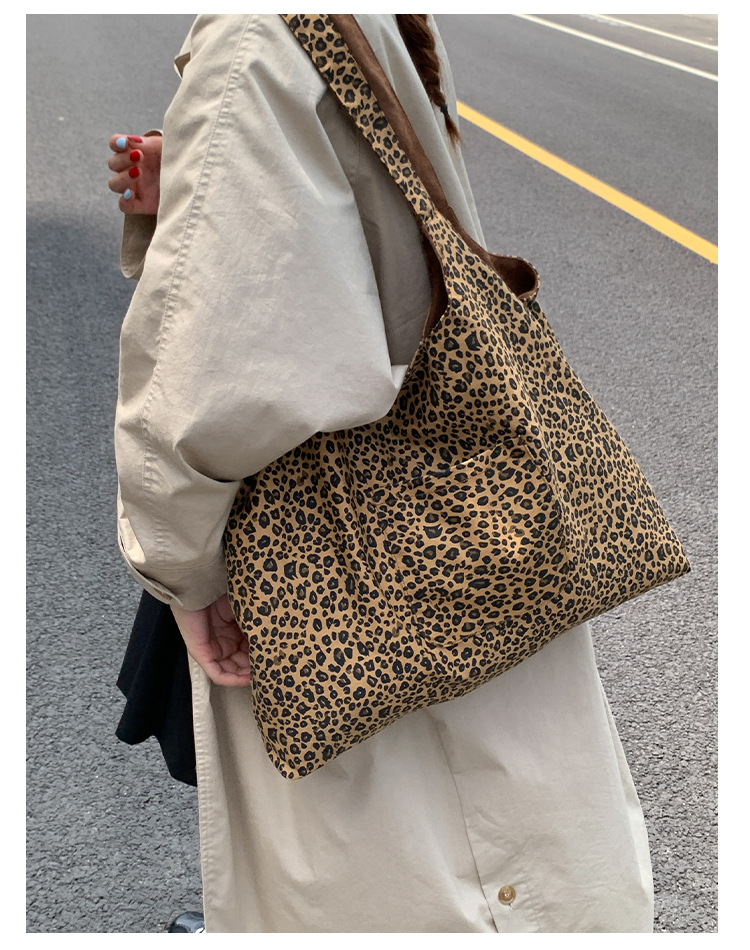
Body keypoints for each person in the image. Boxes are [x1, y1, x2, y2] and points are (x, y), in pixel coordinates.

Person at [109, 14, 654, 933]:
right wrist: (205, 193)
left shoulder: (251, 40)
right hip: (477, 516)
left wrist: (179, 566)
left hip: (345, 565)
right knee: (529, 841)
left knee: (412, 870)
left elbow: (217, 389)